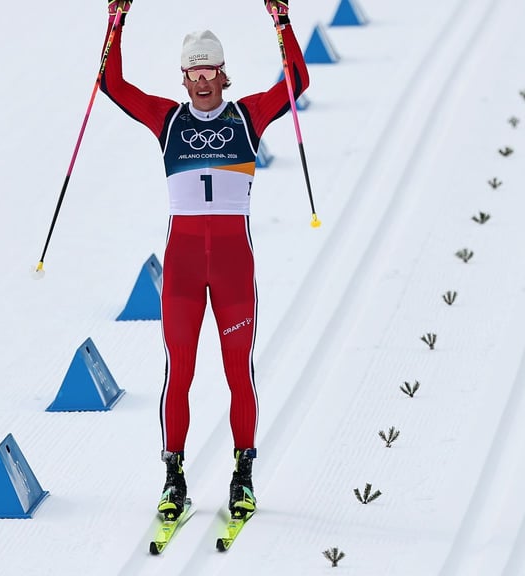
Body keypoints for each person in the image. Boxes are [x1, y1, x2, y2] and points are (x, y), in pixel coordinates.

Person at [100, 0, 308, 522]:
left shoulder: (248, 115)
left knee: (240, 372)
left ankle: (243, 477)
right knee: (181, 373)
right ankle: (174, 480)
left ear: (221, 72)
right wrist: (115, 19)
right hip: (185, 269)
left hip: (234, 266)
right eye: (192, 71)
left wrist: (281, 20)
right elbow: (113, 85)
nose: (201, 80)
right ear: (185, 75)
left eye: (209, 69)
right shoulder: (167, 120)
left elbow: (296, 81)